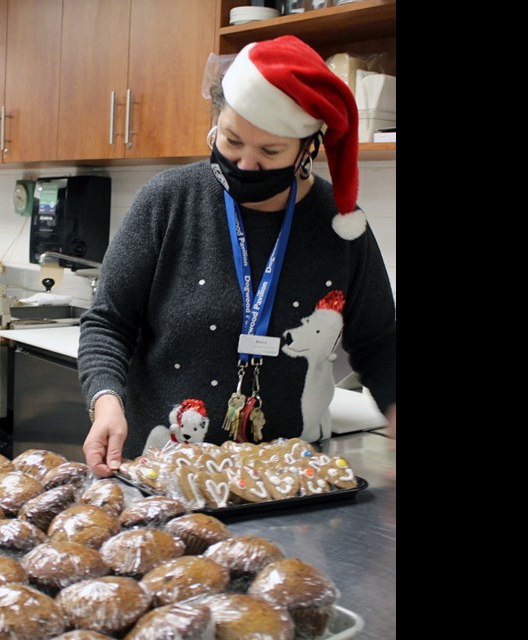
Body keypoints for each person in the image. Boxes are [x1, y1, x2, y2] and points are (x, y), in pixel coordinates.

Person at [78, 35, 396, 477]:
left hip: (288, 480)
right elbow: (107, 322)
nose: (245, 165)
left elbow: (380, 344)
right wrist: (106, 402)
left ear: (308, 148)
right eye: (231, 141)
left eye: (269, 152)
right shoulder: (168, 203)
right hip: (163, 475)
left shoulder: (341, 226)